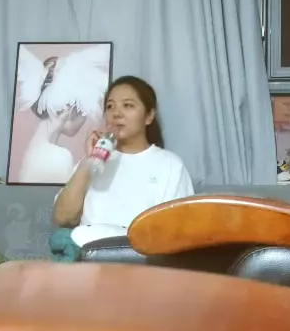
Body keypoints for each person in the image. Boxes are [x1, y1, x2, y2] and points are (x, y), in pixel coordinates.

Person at [50, 76, 194, 260]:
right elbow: (63, 219)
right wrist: (88, 162)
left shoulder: (170, 165)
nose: (116, 113)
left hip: (144, 262)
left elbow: (179, 233)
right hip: (89, 263)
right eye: (110, 106)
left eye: (128, 105)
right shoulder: (92, 162)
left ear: (149, 116)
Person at [17, 56, 89, 183]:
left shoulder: (34, 148)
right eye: (85, 111)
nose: (85, 119)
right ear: (71, 110)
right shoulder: (59, 157)